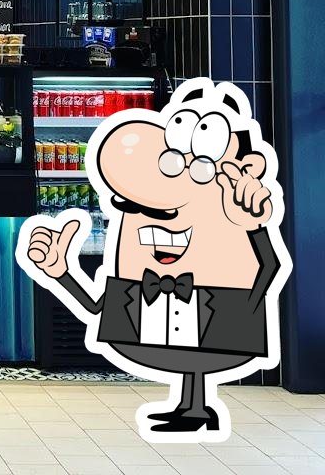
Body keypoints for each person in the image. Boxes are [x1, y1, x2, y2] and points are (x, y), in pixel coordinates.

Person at [18, 79, 290, 441]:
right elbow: (100, 307)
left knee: (200, 355)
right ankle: (191, 405)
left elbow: (271, 265)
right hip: (153, 304)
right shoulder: (137, 273)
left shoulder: (233, 217)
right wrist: (62, 272)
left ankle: (195, 406)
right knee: (190, 357)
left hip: (216, 304)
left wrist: (253, 233)